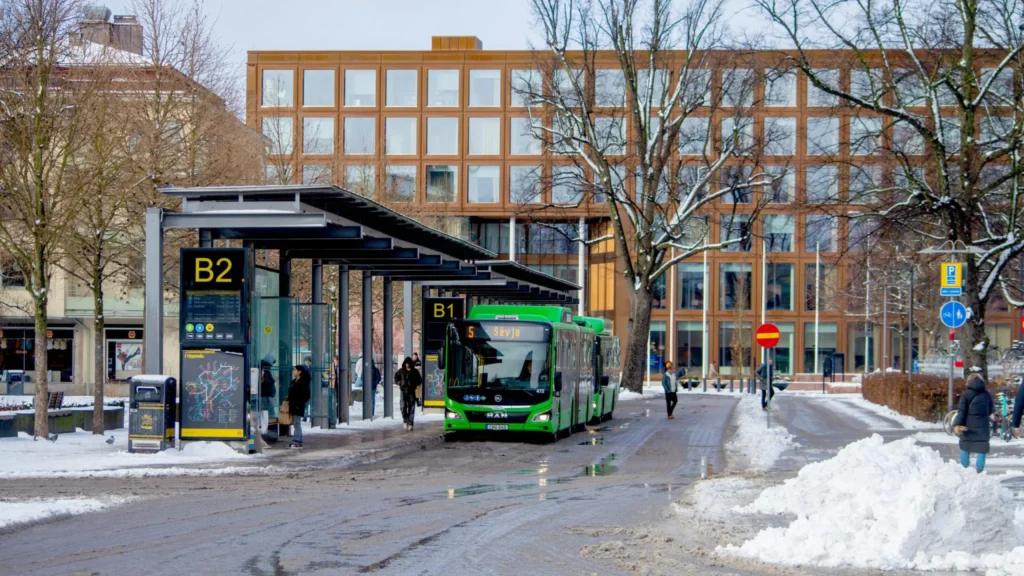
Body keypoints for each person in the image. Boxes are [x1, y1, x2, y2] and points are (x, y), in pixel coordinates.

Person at [954, 374, 995, 472]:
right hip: (983, 426)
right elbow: (991, 410)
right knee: (982, 447)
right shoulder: (987, 394)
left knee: (965, 446)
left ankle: (964, 468)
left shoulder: (966, 395)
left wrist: (957, 424)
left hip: (968, 426)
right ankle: (979, 470)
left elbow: (962, 411)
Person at [285, 365, 311, 449]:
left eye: (295, 370)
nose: (293, 371)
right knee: (296, 423)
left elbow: (306, 395)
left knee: (297, 423)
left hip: (298, 405)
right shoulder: (294, 381)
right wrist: (289, 397)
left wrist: (298, 400)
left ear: (299, 372)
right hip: (293, 404)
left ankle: (296, 441)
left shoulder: (303, 382)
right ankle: (299, 441)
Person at [395, 357, 423, 431]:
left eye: (408, 363)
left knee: (411, 407)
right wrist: (400, 383)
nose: (407, 365)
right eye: (406, 363)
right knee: (403, 406)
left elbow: (419, 380)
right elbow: (395, 378)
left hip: (411, 391)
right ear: (404, 364)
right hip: (403, 391)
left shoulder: (415, 371)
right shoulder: (401, 371)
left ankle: (410, 423)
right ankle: (405, 420)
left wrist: (414, 384)